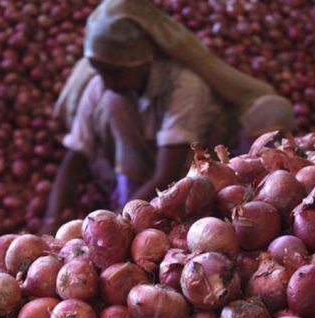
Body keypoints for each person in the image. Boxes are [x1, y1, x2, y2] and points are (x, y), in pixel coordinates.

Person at [42, 0, 294, 235]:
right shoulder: (106, 87)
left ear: (142, 62)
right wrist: (51, 221)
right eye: (101, 72)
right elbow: (75, 157)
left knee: (272, 110)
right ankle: (133, 215)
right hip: (145, 183)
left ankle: (253, 202)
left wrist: (118, 222)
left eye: (115, 73)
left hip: (197, 180)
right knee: (114, 101)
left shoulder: (185, 84)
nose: (107, 82)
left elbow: (168, 171)